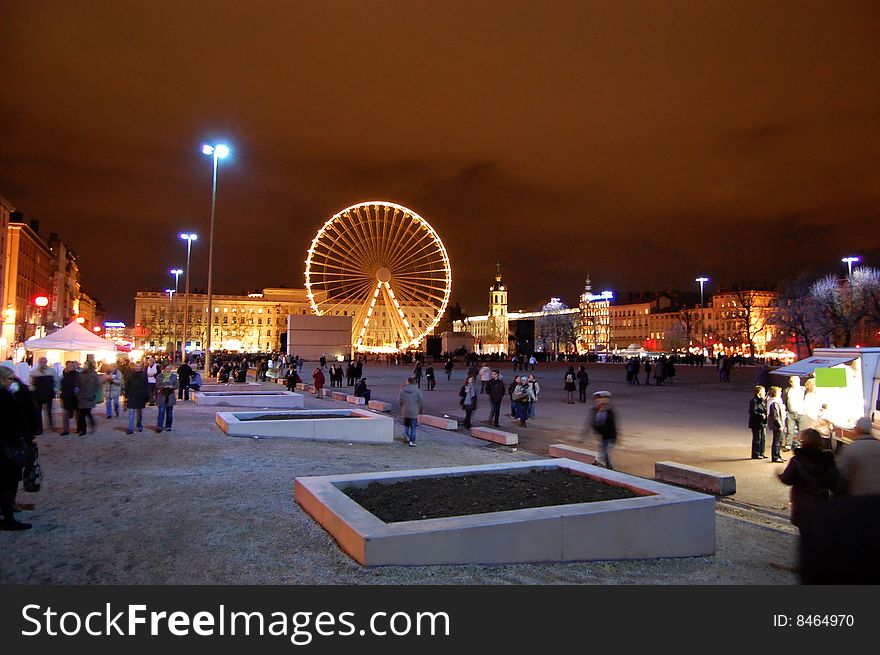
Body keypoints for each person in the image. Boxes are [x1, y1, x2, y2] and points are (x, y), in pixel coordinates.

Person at [778, 428, 842, 536]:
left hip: (802, 505)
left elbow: (787, 479)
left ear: (803, 441)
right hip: (821, 504)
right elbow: (835, 483)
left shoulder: (797, 460)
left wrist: (779, 475)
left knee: (806, 536)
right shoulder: (827, 460)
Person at [0, 366, 41, 530]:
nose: (13, 382)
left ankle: (7, 512)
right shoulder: (7, 397)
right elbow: (17, 419)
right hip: (8, 444)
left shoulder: (11, 394)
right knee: (7, 481)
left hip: (8, 442)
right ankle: (8, 518)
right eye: (10, 379)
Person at [838, 416, 880, 496]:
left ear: (858, 430)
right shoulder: (878, 446)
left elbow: (842, 473)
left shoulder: (851, 448)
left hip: (859, 495)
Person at [29, 356, 59, 431]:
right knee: (38, 412)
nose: (43, 363)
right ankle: (39, 428)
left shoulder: (51, 371)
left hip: (48, 393)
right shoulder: (34, 372)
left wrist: (55, 389)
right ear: (39, 363)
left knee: (49, 410)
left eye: (44, 362)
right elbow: (31, 383)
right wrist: (32, 391)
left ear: (46, 362)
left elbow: (57, 381)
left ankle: (51, 426)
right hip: (37, 394)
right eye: (41, 362)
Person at [590, 391, 617, 470]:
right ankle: (604, 465)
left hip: (609, 436)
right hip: (604, 437)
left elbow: (610, 426)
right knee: (603, 452)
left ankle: (608, 468)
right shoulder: (596, 411)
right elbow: (593, 424)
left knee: (605, 453)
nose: (597, 402)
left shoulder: (608, 412)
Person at [76, 360, 101, 435]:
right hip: (81, 396)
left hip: (90, 397)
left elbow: (97, 385)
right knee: (82, 414)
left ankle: (90, 425)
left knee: (86, 412)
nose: (85, 366)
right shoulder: (80, 374)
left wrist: (94, 394)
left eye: (86, 365)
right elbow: (77, 384)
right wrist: (77, 393)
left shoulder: (94, 375)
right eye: (85, 364)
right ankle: (84, 429)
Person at [124, 362, 149, 434]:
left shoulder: (144, 375)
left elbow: (146, 385)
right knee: (131, 412)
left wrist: (147, 396)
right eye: (136, 366)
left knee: (139, 412)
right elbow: (127, 385)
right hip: (132, 395)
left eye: (139, 366)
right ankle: (130, 428)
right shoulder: (130, 375)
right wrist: (126, 396)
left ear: (141, 367)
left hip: (140, 396)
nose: (137, 368)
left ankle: (139, 424)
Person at [397, 377, 424, 447]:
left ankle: (406, 437)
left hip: (405, 410)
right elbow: (421, 401)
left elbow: (399, 401)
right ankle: (412, 440)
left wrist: (403, 406)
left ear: (407, 382)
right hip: (414, 411)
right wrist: (420, 409)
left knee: (406, 425)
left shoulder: (402, 390)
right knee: (413, 426)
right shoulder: (417, 390)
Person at [782, 376, 805, 452]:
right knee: (790, 430)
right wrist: (786, 409)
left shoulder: (803, 390)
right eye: (792, 381)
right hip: (790, 413)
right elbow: (785, 400)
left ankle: (799, 444)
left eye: (795, 381)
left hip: (801, 413)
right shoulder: (787, 390)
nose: (793, 383)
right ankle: (788, 445)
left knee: (801, 430)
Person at [766, 385, 787, 463]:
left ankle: (778, 455)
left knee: (779, 440)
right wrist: (780, 425)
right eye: (780, 392)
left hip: (778, 424)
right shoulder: (774, 403)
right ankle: (775, 456)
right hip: (777, 425)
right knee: (777, 441)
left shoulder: (775, 401)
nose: (781, 393)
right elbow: (775, 416)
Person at [155, 363, 178, 432]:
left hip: (170, 396)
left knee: (169, 413)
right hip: (162, 395)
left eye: (169, 368)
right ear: (164, 369)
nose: (168, 370)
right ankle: (159, 426)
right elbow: (157, 386)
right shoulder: (159, 376)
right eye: (167, 368)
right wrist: (164, 387)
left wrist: (172, 387)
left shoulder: (173, 376)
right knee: (161, 412)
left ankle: (168, 426)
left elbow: (176, 385)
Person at [59, 361, 79, 436]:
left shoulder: (77, 375)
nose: (70, 367)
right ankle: (65, 430)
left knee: (77, 415)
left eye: (71, 365)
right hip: (66, 397)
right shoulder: (64, 375)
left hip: (75, 397)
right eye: (68, 366)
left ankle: (79, 428)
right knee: (65, 415)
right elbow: (62, 385)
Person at [748, 385, 768, 459]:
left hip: (762, 422)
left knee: (763, 438)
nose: (765, 393)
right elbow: (752, 411)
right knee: (757, 438)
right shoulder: (754, 401)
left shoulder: (763, 401)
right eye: (763, 391)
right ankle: (756, 453)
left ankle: (761, 452)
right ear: (759, 392)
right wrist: (761, 415)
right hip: (756, 423)